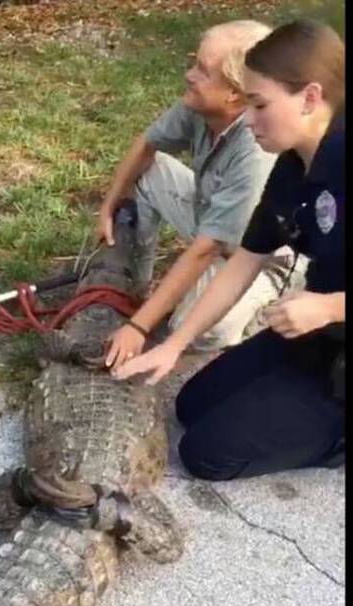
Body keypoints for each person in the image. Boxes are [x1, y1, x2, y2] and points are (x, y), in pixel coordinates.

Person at [114, 19, 346, 481]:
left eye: (259, 104)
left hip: (331, 330)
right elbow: (245, 260)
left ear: (310, 98)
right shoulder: (292, 165)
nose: (249, 119)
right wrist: (174, 346)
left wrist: (330, 306)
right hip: (315, 333)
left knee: (206, 455)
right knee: (190, 405)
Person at [96, 19, 307, 370]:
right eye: (195, 62)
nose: (189, 75)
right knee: (151, 169)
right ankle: (136, 284)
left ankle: (269, 303)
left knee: (193, 330)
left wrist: (138, 326)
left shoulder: (256, 152)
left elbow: (206, 248)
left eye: (203, 70)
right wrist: (107, 207)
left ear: (236, 95)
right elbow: (147, 144)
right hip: (211, 214)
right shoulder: (198, 105)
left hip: (257, 255)